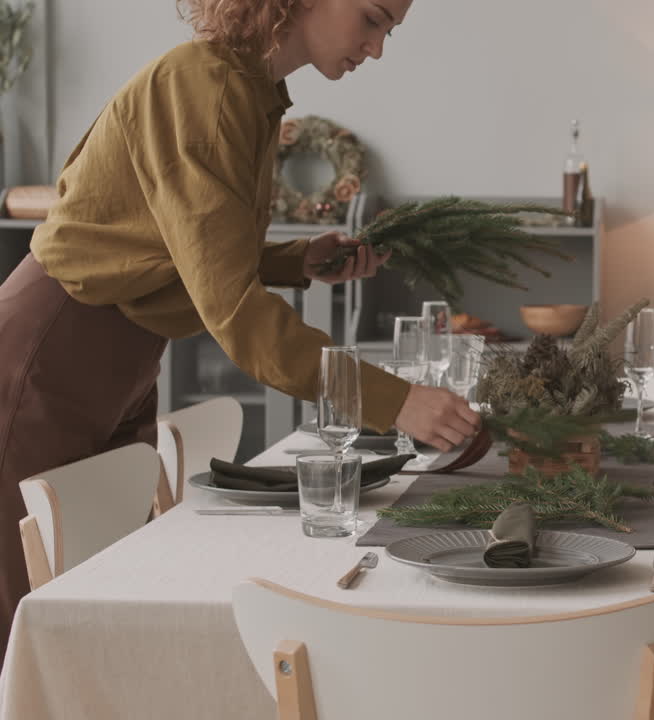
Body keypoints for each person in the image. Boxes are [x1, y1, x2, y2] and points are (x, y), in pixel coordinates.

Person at [0, 0, 479, 660]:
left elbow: (185, 247)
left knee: (101, 605)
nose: (377, 48)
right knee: (24, 621)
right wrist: (398, 403)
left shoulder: (252, 92)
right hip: (48, 354)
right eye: (372, 19)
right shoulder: (203, 86)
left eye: (388, 29)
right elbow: (237, 317)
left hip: (123, 355)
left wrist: (290, 261)